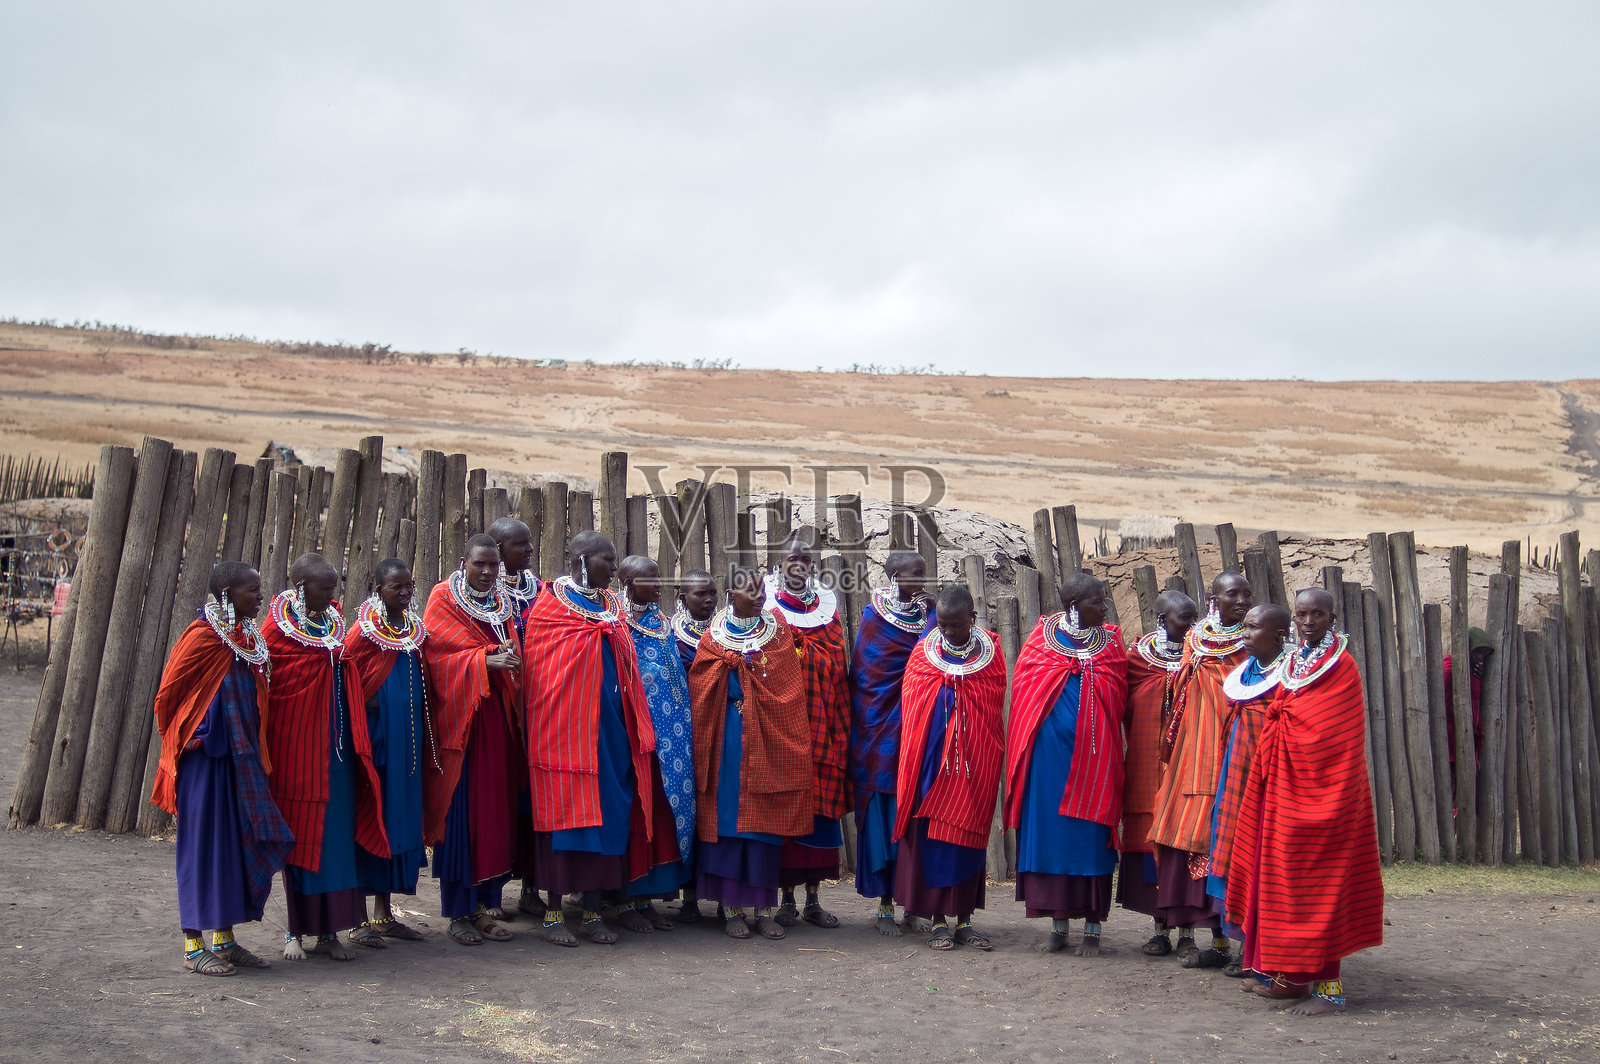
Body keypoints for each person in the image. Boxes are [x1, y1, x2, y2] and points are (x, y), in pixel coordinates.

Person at [1227, 588, 1384, 1016]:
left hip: (1327, 793)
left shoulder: (1342, 666)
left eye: (1318, 614)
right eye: (1302, 614)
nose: (1309, 622)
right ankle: (1285, 975)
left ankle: (1330, 990)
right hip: (1283, 786)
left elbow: (1335, 732)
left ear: (1333, 617)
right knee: (1278, 876)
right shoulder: (1296, 660)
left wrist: (1288, 725)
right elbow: (1286, 708)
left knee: (1321, 885)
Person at [522, 531, 673, 946]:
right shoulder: (550, 607)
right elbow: (543, 673)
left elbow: (626, 662)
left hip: (611, 733)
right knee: (565, 819)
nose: (614, 567)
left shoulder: (612, 607)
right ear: (582, 561)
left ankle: (592, 912)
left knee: (607, 816)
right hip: (564, 736)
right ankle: (554, 914)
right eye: (607, 560)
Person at [151, 562, 291, 975]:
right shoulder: (201, 636)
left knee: (232, 844)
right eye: (252, 590)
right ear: (228, 594)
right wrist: (193, 732)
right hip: (204, 760)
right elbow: (167, 697)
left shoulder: (246, 638)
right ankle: (193, 945)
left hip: (240, 759)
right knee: (201, 848)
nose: (260, 597)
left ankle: (224, 940)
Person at [262, 554, 390, 962]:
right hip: (298, 754)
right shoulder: (276, 631)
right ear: (302, 588)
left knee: (336, 844)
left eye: (335, 586)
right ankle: (294, 932)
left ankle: (330, 933)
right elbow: (272, 692)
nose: (334, 594)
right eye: (326, 587)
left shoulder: (332, 624)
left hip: (338, 753)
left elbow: (345, 671)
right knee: (302, 842)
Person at [687, 564, 814, 940]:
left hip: (769, 736)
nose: (760, 596)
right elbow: (700, 680)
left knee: (763, 819)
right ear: (731, 596)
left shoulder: (777, 631)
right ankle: (730, 909)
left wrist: (752, 678)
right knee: (728, 818)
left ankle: (762, 909)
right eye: (751, 591)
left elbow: (788, 686)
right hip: (726, 736)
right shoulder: (713, 635)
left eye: (762, 589)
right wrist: (730, 670)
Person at [1005, 572, 1129, 957]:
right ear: (1075, 607)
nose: (1105, 607)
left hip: (1097, 759)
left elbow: (1119, 694)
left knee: (1090, 837)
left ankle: (1092, 928)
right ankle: (1058, 925)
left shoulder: (1111, 644)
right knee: (1053, 837)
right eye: (1097, 601)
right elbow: (1025, 697)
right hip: (1048, 762)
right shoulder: (1041, 642)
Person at [422, 533, 523, 946]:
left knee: (494, 809)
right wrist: (484, 660)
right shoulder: (443, 599)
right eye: (479, 564)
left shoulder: (502, 602)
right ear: (464, 562)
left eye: (493, 565)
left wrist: (508, 655)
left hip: (496, 719)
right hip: (462, 725)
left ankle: (485, 906)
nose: (486, 572)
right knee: (463, 813)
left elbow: (511, 647)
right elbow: (436, 659)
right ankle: (459, 913)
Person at [893, 585, 1006, 950]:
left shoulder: (990, 653)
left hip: (974, 762)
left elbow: (993, 701)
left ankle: (965, 920)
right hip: (931, 763)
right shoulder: (924, 654)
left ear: (972, 618)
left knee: (967, 839)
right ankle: (938, 921)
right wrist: (946, 691)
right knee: (933, 838)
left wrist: (961, 694)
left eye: (957, 625)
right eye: (942, 624)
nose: (949, 632)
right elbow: (913, 703)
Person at [1149, 570, 1252, 968]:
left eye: (1246, 594)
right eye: (1232, 594)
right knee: (1183, 834)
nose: (1241, 601)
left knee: (1232, 841)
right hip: (1191, 753)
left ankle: (1236, 945)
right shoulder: (1195, 640)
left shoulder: (1254, 642)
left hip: (1235, 753)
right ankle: (1205, 939)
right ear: (1214, 598)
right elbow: (1181, 694)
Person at [342, 557, 432, 947]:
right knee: (370, 818)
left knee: (396, 823)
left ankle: (383, 914)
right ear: (379, 590)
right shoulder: (363, 633)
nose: (406, 592)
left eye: (410, 586)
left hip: (406, 744)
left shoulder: (413, 631)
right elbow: (347, 681)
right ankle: (358, 920)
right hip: (376, 742)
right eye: (397, 587)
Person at [764, 530, 850, 929]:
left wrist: (810, 654)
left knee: (818, 811)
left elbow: (838, 661)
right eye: (791, 560)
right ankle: (786, 899)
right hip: (783, 725)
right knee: (787, 810)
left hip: (822, 722)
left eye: (804, 560)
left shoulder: (827, 612)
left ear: (812, 566)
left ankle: (814, 898)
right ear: (779, 564)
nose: (797, 566)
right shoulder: (768, 609)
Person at [848, 550, 937, 935]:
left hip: (917, 727)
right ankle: (884, 905)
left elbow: (934, 661)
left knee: (914, 812)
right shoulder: (874, 618)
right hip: (879, 729)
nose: (924, 578)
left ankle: (912, 905)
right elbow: (864, 676)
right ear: (897, 576)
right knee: (884, 814)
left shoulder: (928, 617)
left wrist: (933, 618)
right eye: (918, 572)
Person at [1205, 603, 1289, 973]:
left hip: (1270, 777)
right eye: (1245, 628)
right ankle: (1240, 942)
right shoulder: (1247, 671)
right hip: (1236, 773)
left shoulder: (1291, 677)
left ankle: (1259, 949)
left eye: (1253, 628)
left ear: (1279, 636)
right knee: (1233, 845)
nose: (1245, 635)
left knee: (1260, 851)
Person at [618, 555, 698, 925]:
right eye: (649, 580)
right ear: (627, 583)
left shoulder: (661, 623)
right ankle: (626, 899)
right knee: (637, 811)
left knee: (663, 810)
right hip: (634, 734)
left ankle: (648, 898)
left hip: (673, 735)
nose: (657, 586)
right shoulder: (616, 623)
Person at [1119, 589, 1197, 950]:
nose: (1192, 626)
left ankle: (1187, 933)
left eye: (1195, 618)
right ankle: (1160, 929)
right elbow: (1121, 703)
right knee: (1150, 840)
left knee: (1183, 842)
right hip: (1146, 764)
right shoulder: (1136, 659)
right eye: (1185, 619)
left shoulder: (1202, 657)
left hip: (1186, 764)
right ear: (1163, 620)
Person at [488, 515, 544, 921]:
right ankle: (490, 889)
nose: (529, 550)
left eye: (529, 543)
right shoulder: (480, 593)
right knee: (498, 795)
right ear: (498, 549)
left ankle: (530, 887)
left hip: (537, 703)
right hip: (499, 704)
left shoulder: (539, 589)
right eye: (520, 544)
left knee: (533, 796)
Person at [1443, 626, 1493, 795]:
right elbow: (1453, 707)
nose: (1480, 658)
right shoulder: (1449, 670)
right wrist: (1474, 680)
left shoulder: (1471, 672)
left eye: (1483, 654)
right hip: (1450, 739)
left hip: (1464, 739)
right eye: (1477, 652)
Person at [672, 569, 717, 673]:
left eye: (713, 593)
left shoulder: (727, 632)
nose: (709, 599)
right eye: (701, 594)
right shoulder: (672, 635)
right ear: (684, 599)